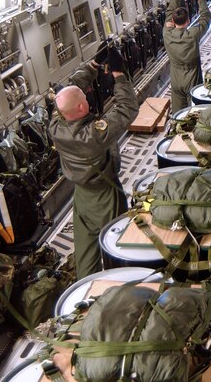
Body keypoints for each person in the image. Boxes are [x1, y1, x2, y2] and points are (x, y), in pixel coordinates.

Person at [49, 55, 139, 278]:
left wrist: (92, 65)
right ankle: (119, 284)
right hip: (105, 196)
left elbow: (70, 91)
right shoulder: (93, 135)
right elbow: (127, 108)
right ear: (82, 106)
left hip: (80, 197)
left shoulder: (55, 125)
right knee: (116, 245)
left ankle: (87, 289)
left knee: (85, 253)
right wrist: (118, 75)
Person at [164, 0, 211, 110]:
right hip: (192, 79)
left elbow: (169, 11)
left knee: (178, 114)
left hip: (175, 80)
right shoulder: (193, 34)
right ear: (188, 20)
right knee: (195, 112)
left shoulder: (167, 33)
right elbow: (205, 17)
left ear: (173, 21)